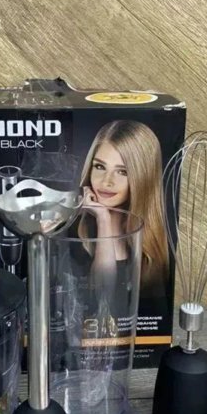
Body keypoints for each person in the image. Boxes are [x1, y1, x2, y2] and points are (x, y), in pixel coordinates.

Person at [78, 120, 169, 304]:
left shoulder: (154, 250)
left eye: (122, 172)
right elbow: (102, 298)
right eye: (100, 167)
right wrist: (103, 219)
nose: (107, 181)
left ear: (142, 177)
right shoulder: (71, 234)